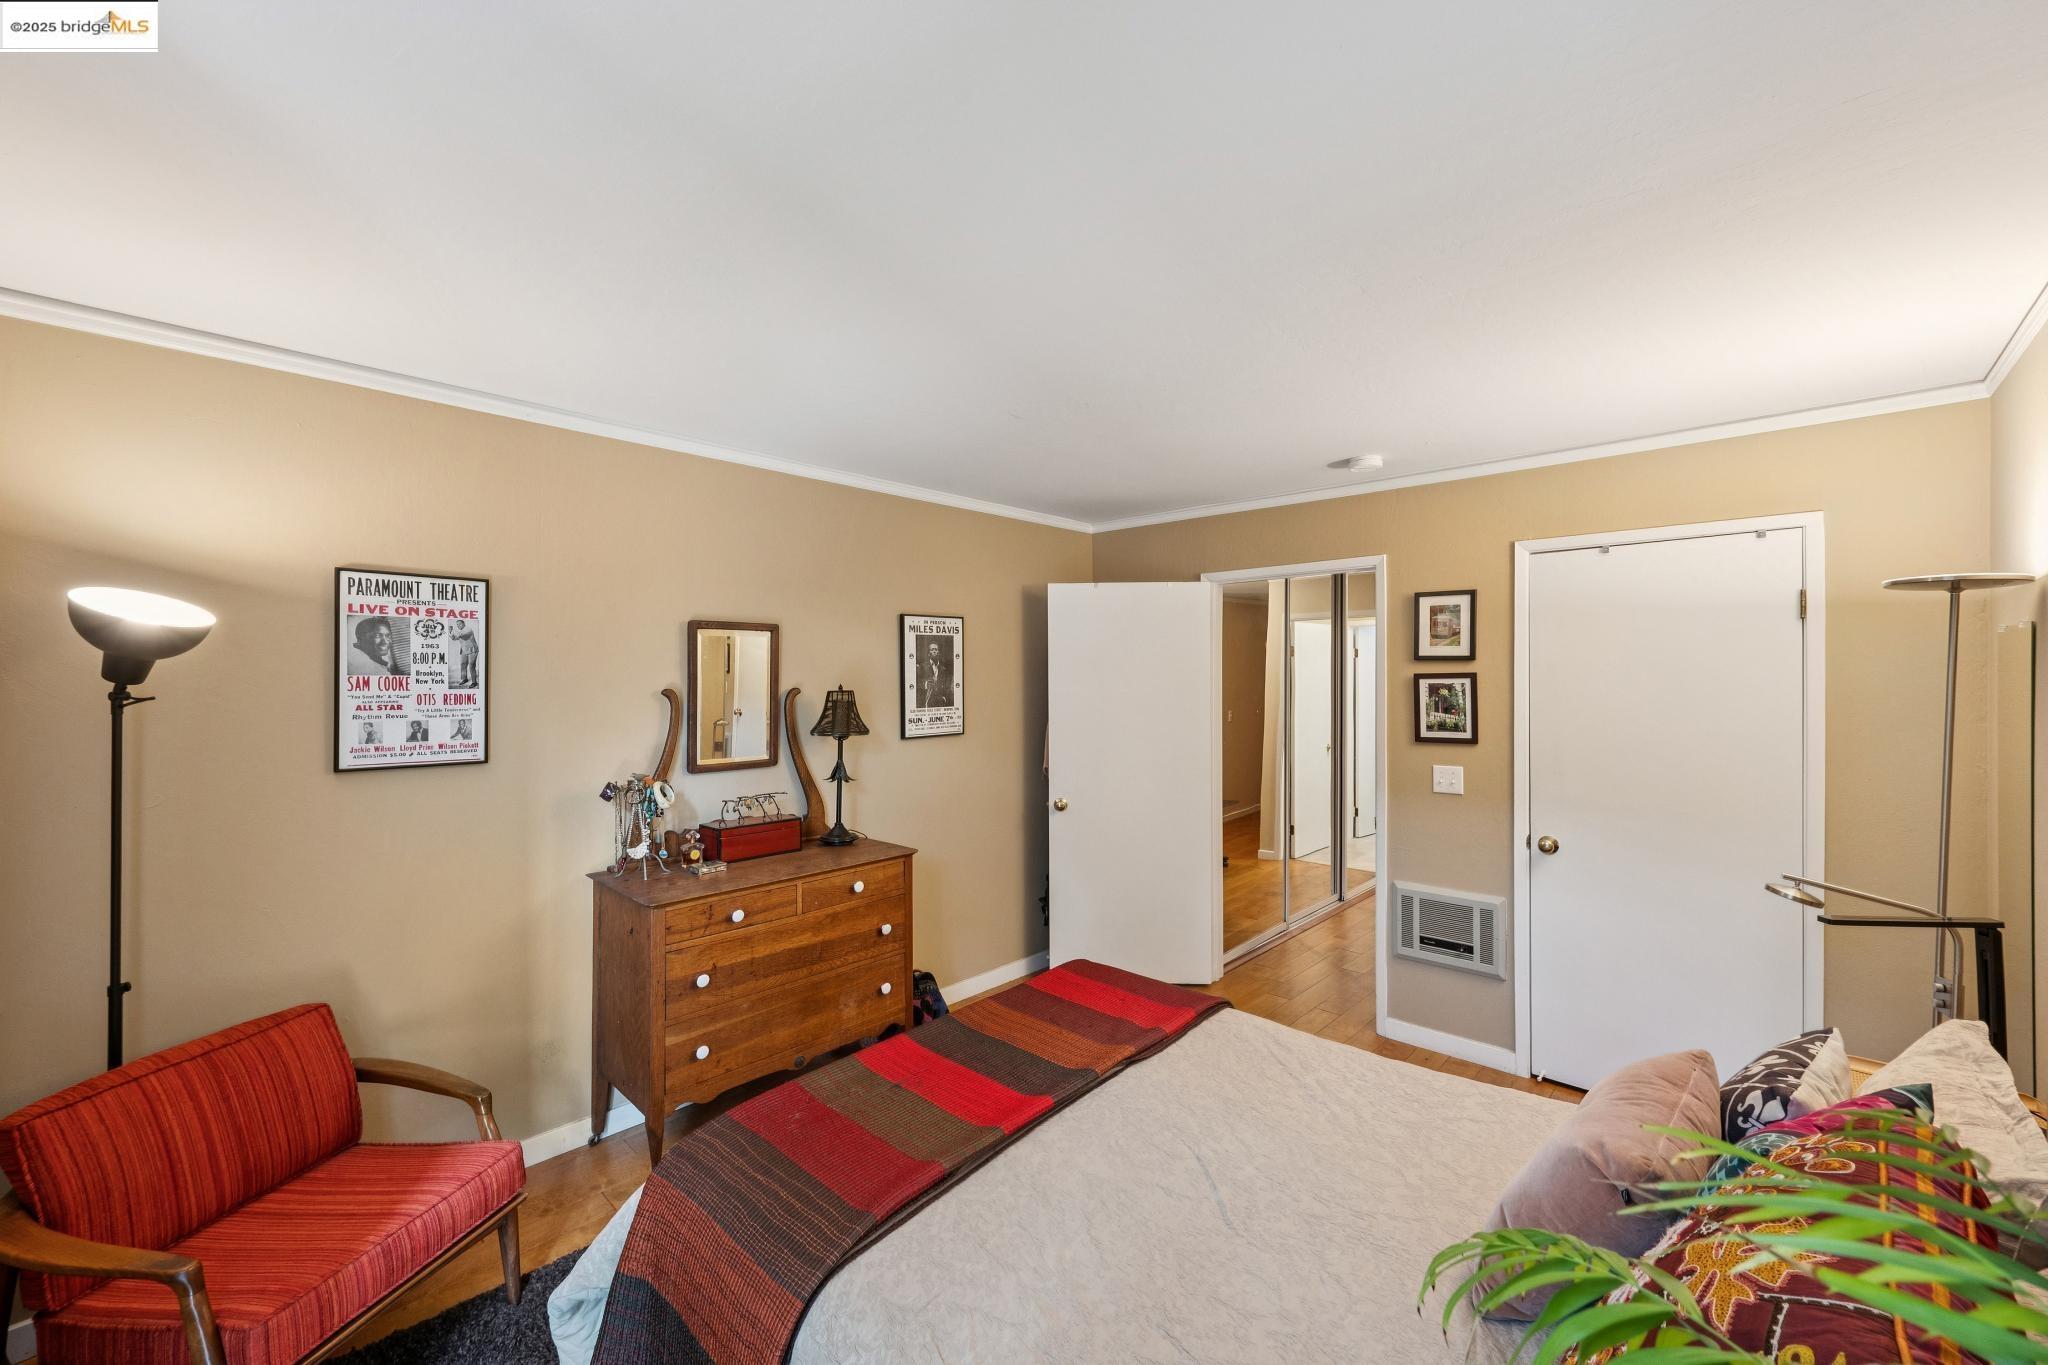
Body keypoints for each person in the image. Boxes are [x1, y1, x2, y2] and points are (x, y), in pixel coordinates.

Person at [917, 636, 954, 709]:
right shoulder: (922, 667)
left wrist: (944, 698)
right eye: (932, 650)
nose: (934, 651)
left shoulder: (944, 669)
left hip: (940, 703)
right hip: (926, 702)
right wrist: (925, 684)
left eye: (936, 649)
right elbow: (916, 683)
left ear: (938, 652)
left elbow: (947, 686)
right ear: (928, 653)